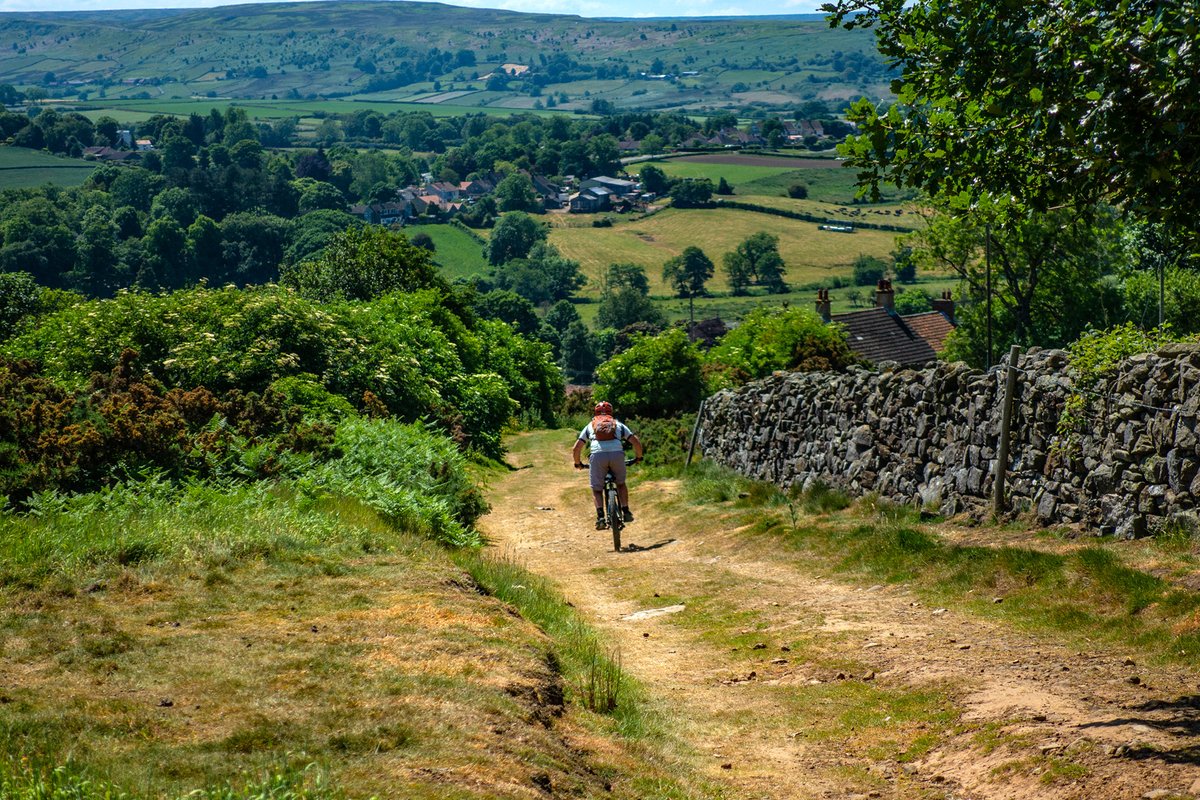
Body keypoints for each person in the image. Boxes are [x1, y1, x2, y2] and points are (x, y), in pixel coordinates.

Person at [572, 401, 644, 530]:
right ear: (611, 412)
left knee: (597, 489)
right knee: (621, 483)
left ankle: (600, 518)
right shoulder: (618, 425)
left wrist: (578, 463)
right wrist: (639, 457)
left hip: (597, 455)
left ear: (596, 413)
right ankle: (626, 511)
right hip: (617, 454)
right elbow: (636, 442)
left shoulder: (590, 425)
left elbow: (576, 448)